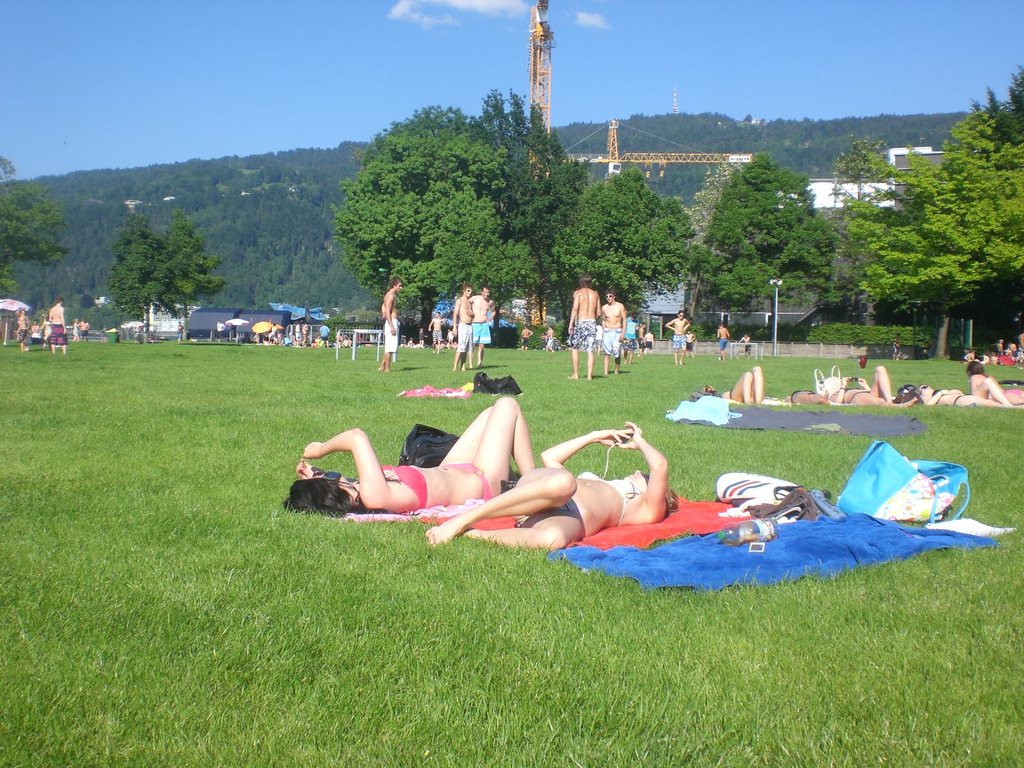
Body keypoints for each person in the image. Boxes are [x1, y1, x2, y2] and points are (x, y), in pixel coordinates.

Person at [426, 422, 677, 550]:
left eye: (643, 476)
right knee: (564, 482)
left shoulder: (648, 509)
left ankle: (472, 533)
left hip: (564, 519)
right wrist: (593, 437)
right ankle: (462, 519)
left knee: (553, 540)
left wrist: (639, 441)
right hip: (545, 493)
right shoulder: (597, 483)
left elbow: (660, 465)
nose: (638, 472)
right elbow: (549, 457)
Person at [285, 398, 536, 515]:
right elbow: (356, 437)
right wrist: (321, 449)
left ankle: (527, 483)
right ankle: (534, 484)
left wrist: (316, 474)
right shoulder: (373, 494)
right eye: (330, 478)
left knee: (491, 413)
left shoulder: (366, 492)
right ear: (331, 491)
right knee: (507, 406)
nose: (335, 476)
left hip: (457, 468)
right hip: (483, 481)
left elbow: (352, 483)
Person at [567, 273, 600, 380]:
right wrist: (594, 320)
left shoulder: (578, 293)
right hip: (592, 322)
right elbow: (599, 313)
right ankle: (589, 376)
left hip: (581, 322)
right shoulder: (595, 295)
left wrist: (571, 323)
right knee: (590, 350)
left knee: (574, 347)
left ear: (581, 282)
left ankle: (576, 374)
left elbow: (575, 308)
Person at [917, 385, 1015, 408]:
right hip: (960, 400)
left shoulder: (938, 394)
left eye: (928, 385)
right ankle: (1012, 407)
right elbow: (928, 405)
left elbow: (959, 391)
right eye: (924, 388)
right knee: (993, 404)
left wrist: (952, 391)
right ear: (921, 394)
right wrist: (941, 392)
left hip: (963, 397)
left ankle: (1013, 405)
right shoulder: (927, 400)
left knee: (988, 383)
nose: (928, 387)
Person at [600, 289, 627, 376]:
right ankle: (606, 372)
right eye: (607, 296)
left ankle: (616, 370)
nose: (608, 298)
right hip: (607, 331)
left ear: (614, 297)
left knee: (617, 353)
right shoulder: (604, 308)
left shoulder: (620, 306)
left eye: (610, 296)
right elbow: (603, 320)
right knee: (606, 353)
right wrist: (603, 331)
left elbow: (624, 320)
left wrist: (623, 333)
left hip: (617, 331)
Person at [380, 276, 402, 373]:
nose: (401, 287)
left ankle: (382, 366)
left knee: (391, 346)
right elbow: (388, 311)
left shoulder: (391, 295)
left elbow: (383, 306)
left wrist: (383, 311)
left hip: (392, 321)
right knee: (390, 347)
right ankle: (387, 369)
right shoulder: (390, 296)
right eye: (399, 286)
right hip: (391, 321)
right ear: (394, 285)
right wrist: (392, 326)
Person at [452, 284, 474, 372]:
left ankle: (463, 367)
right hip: (463, 325)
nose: (470, 292)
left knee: (467, 347)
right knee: (461, 346)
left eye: (471, 291)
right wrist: (454, 327)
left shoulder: (469, 302)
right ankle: (455, 367)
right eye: (468, 290)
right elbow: (455, 314)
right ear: (463, 291)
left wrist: (472, 314)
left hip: (470, 325)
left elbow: (473, 315)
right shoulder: (459, 300)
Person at [470, 285, 493, 368]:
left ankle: (479, 364)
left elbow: (494, 311)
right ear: (481, 292)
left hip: (484, 324)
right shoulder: (475, 298)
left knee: (482, 346)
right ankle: (471, 364)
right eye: (485, 292)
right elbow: (466, 304)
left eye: (488, 292)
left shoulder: (490, 301)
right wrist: (469, 313)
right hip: (475, 323)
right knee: (472, 345)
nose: (486, 294)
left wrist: (490, 318)